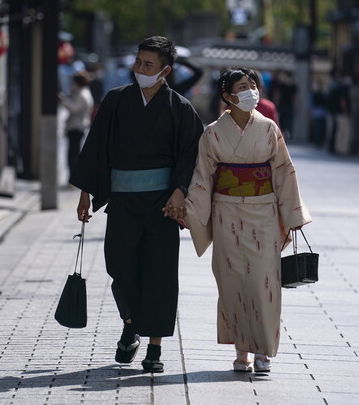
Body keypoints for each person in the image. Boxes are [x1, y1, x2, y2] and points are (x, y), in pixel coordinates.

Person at [69, 36, 204, 373]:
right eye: (138, 62)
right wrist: (86, 191)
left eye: (148, 65)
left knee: (159, 272)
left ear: (165, 71)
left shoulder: (181, 108)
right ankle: (130, 324)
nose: (140, 69)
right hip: (123, 200)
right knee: (120, 267)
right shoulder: (115, 101)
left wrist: (179, 191)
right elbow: (97, 146)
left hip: (162, 204)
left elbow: (191, 155)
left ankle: (154, 349)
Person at [180, 68, 311, 373]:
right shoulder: (212, 132)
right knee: (233, 281)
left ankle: (264, 349)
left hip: (263, 211)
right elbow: (202, 176)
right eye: (243, 87)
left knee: (264, 281)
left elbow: (284, 171)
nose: (251, 91)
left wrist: (292, 214)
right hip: (226, 211)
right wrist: (189, 211)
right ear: (227, 95)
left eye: (253, 86)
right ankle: (242, 351)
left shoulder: (269, 129)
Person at [60, 70, 94, 176]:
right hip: (79, 126)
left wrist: (64, 101)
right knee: (74, 153)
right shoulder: (84, 93)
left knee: (73, 155)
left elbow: (74, 109)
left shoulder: (82, 95)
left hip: (76, 126)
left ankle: (73, 178)